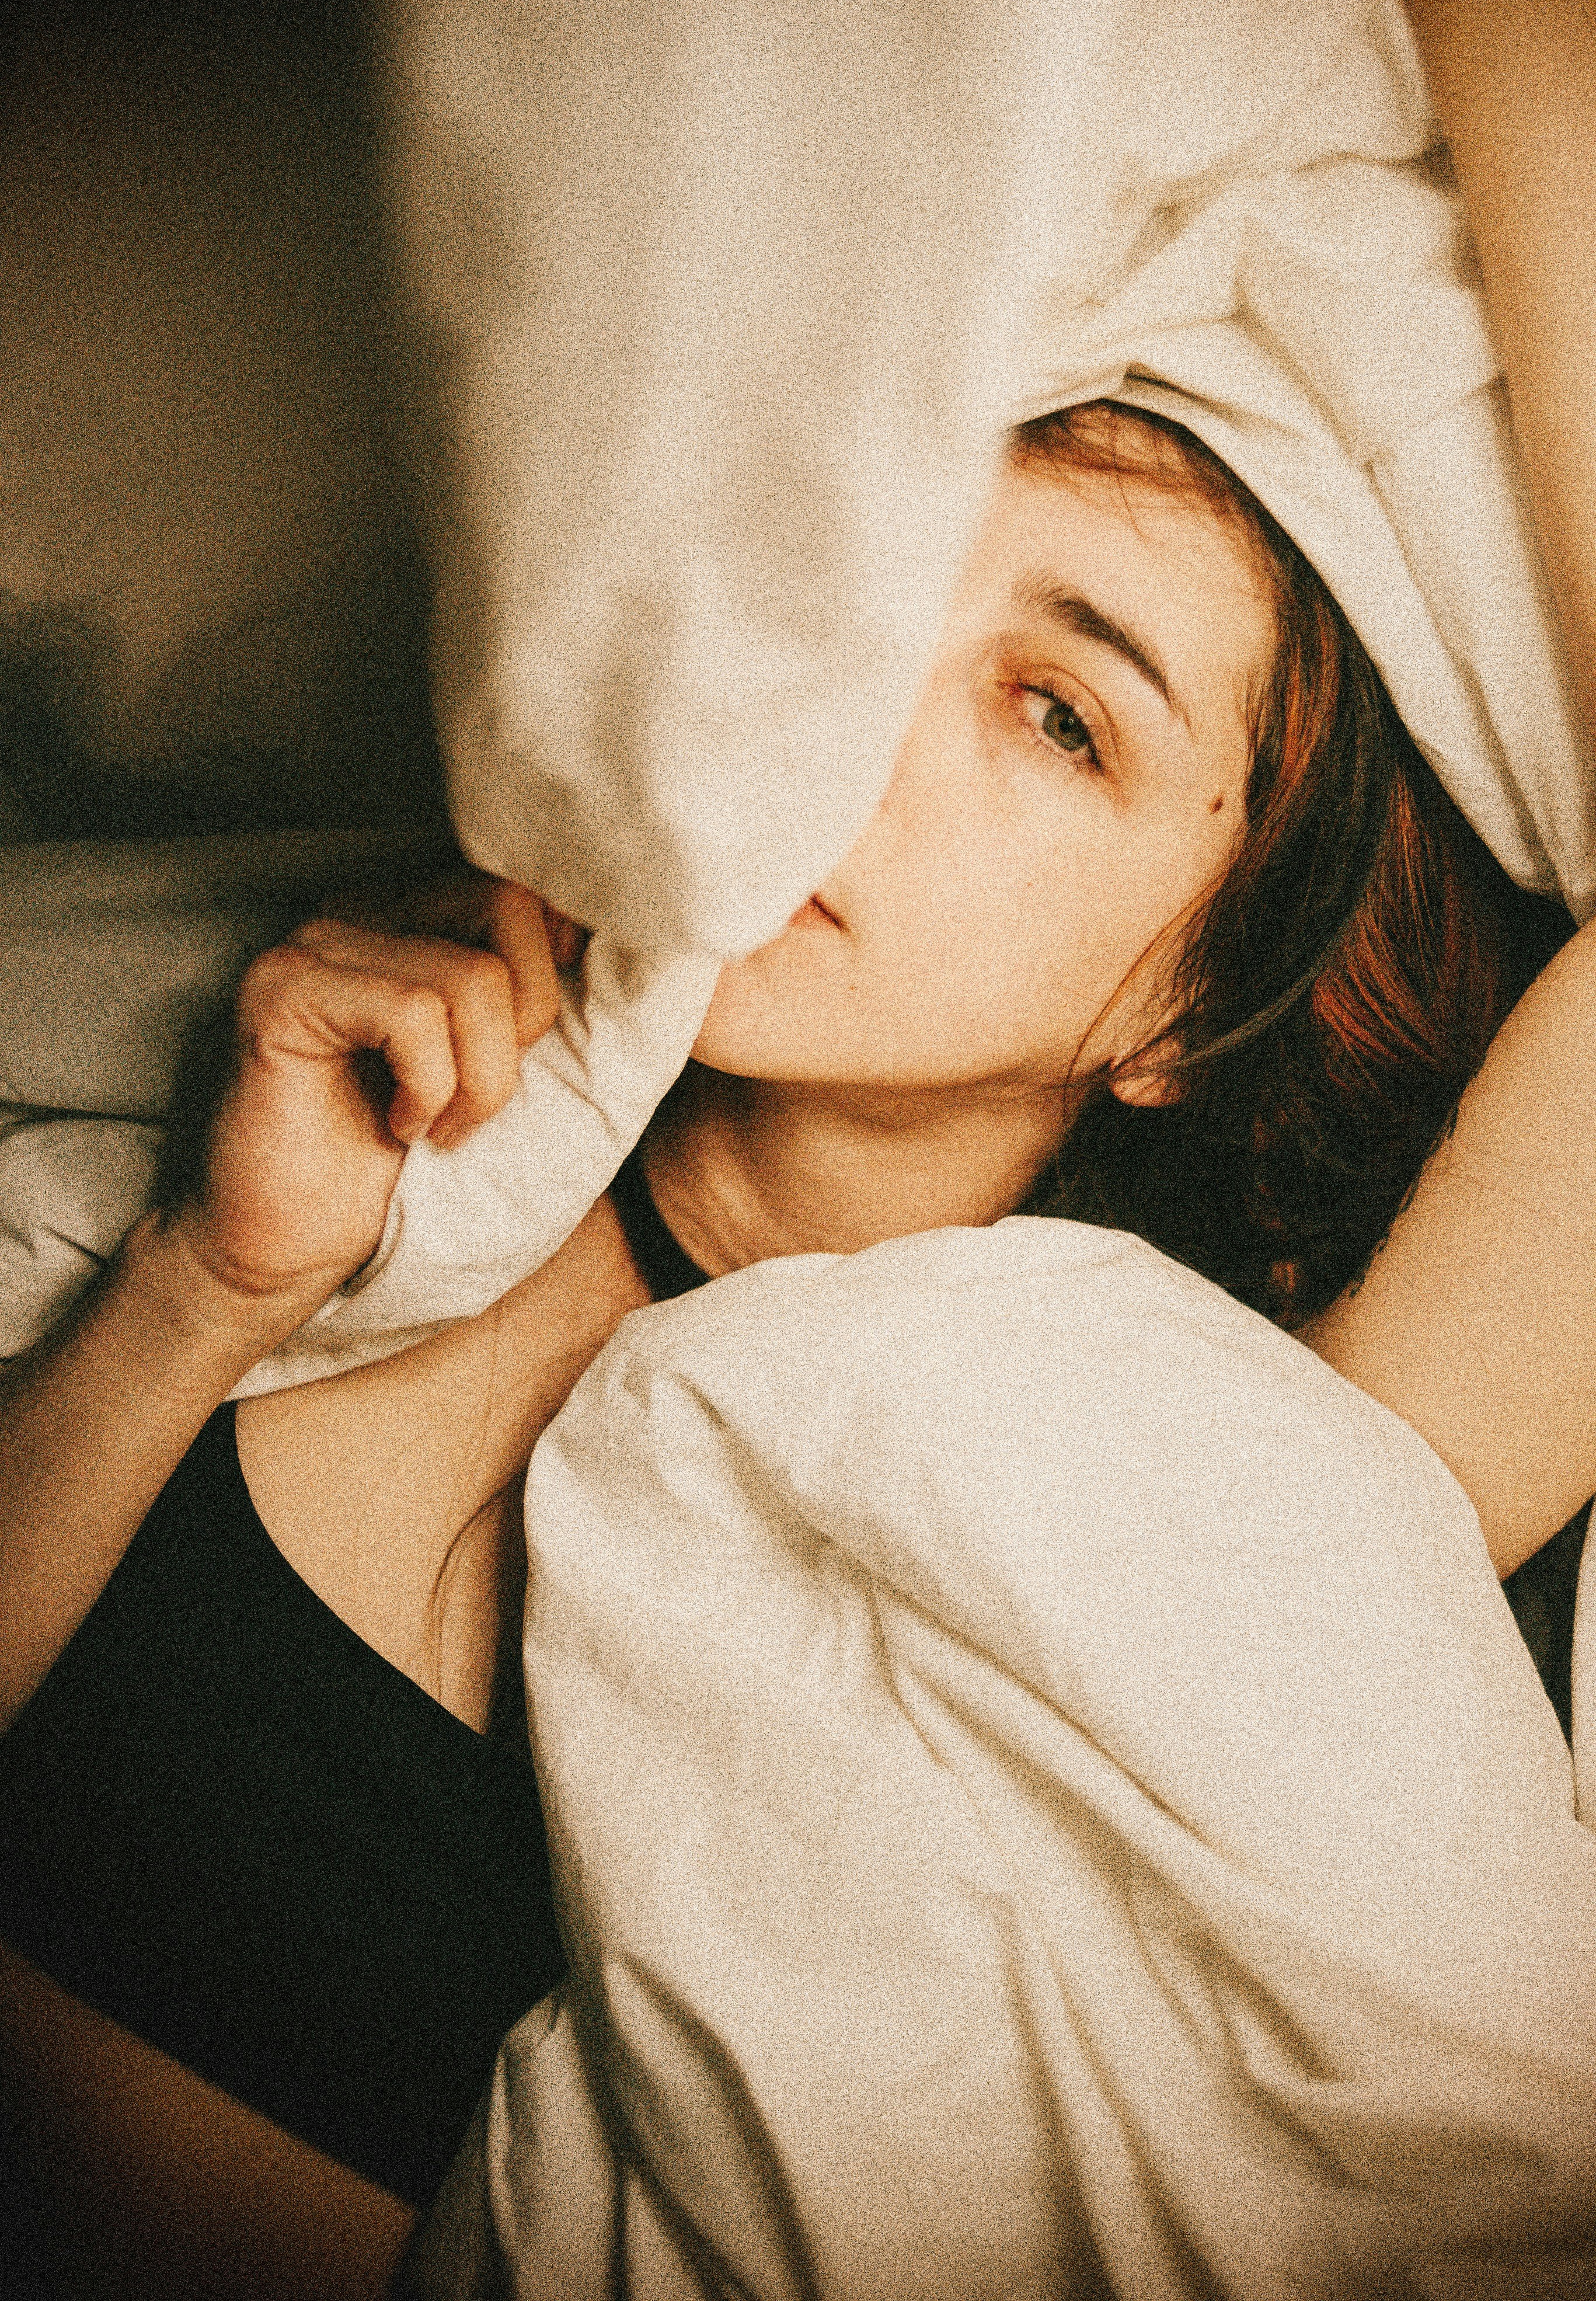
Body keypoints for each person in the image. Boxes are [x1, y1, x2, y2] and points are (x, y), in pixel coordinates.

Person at [0, 387, 1583, 2300]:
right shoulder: (368, 1140)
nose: (864, 705)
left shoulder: (1185, 1497)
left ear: (1193, 1003)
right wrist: (202, 1283)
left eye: (1060, 714)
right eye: (883, 582)